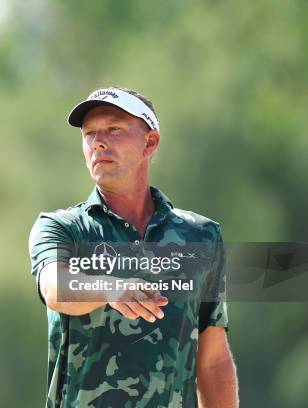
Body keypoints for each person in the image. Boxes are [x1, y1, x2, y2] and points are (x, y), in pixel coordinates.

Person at [28, 87, 238, 407]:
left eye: (114, 130)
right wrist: (110, 288)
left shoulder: (201, 236)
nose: (99, 142)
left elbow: (212, 359)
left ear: (150, 142)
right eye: (90, 133)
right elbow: (56, 288)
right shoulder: (62, 227)